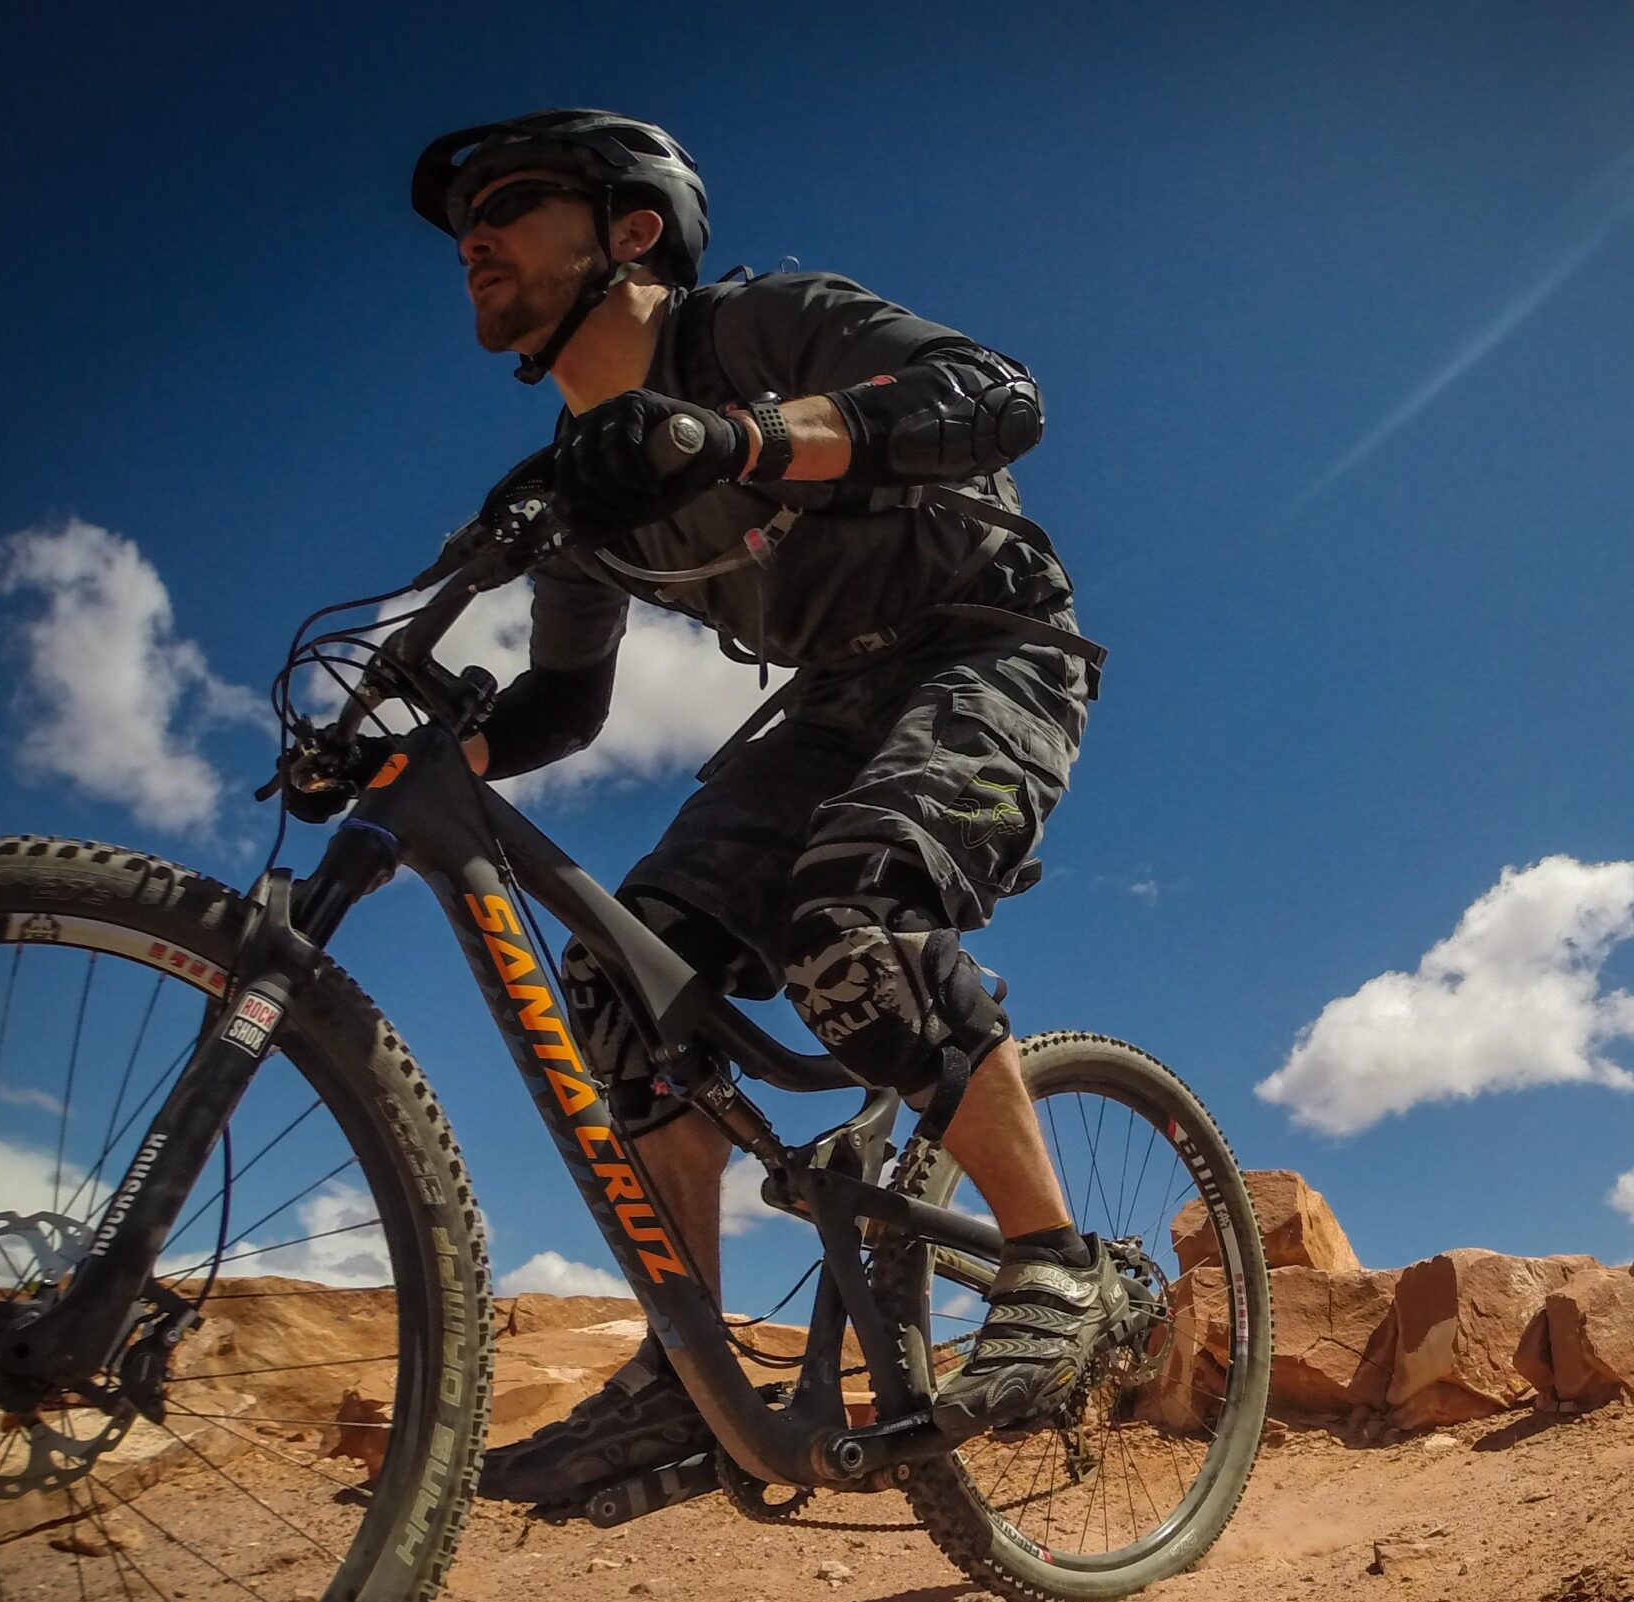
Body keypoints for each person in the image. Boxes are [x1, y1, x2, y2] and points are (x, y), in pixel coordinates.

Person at [385, 110, 1120, 1506]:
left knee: (848, 913)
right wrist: (430, 747)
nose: (472, 235)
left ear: (631, 228)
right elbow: (566, 702)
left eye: (514, 201)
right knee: (619, 970)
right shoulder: (583, 487)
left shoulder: (759, 328)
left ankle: (1052, 1263)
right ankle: (693, 1371)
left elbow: (999, 395)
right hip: (831, 702)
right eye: (461, 221)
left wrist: (732, 434)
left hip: (988, 645)